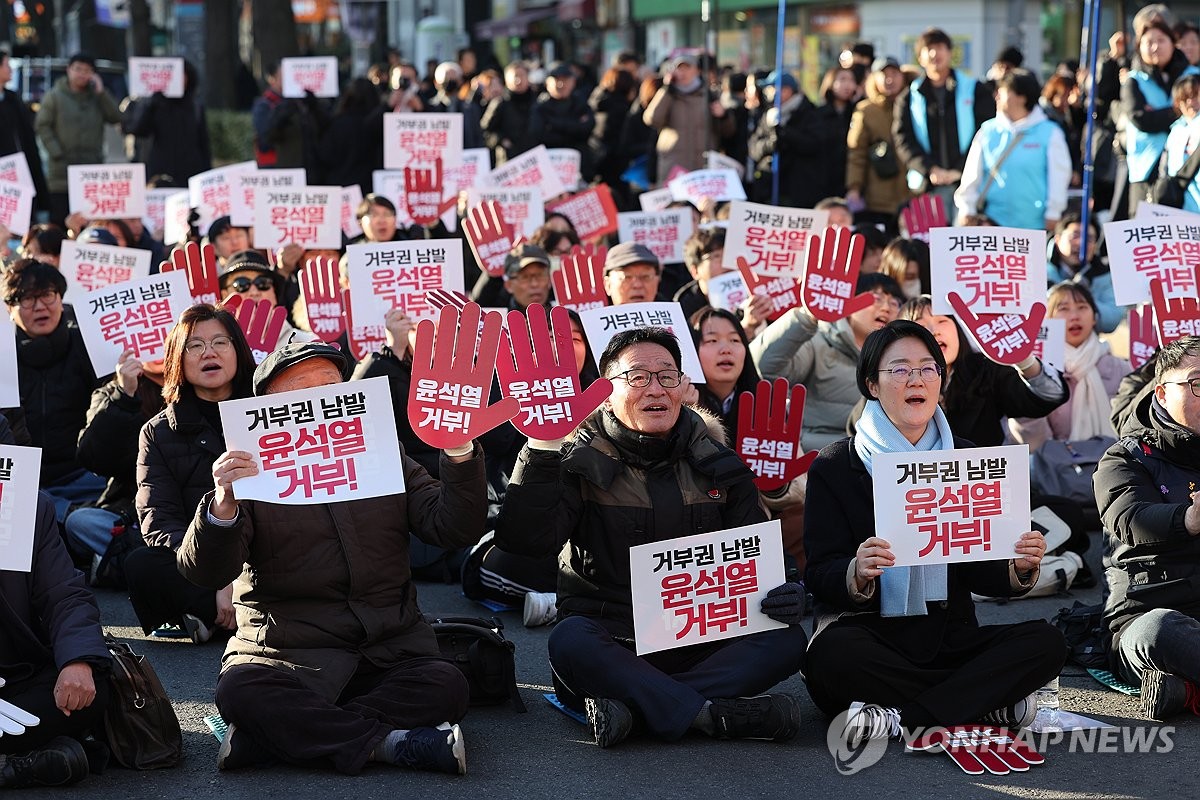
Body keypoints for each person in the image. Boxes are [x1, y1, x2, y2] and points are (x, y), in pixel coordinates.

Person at [177, 340, 488, 774]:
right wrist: (223, 504)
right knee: (242, 691)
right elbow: (206, 570)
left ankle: (276, 740)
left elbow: (451, 527)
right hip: (285, 654)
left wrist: (459, 453)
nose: (320, 401)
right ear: (266, 408)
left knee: (447, 685)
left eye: (330, 386)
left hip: (387, 647)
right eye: (301, 392)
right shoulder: (245, 472)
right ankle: (393, 744)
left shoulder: (383, 454)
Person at [494, 327, 808, 748]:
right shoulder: (575, 460)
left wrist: (787, 590)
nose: (655, 388)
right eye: (638, 377)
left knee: (786, 639)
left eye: (667, 376)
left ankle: (645, 708)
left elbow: (759, 556)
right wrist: (541, 448)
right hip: (615, 641)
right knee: (570, 641)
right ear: (605, 392)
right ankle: (712, 713)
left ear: (683, 388)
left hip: (703, 639)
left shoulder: (720, 462)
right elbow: (524, 542)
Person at [804, 319, 1066, 745]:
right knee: (831, 657)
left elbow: (983, 575)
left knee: (1047, 642)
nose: (917, 379)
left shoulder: (969, 459)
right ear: (872, 384)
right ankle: (983, 702)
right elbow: (819, 572)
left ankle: (903, 718)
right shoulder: (835, 465)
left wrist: (1018, 565)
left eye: (928, 368)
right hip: (874, 637)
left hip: (951, 636)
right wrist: (856, 571)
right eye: (900, 369)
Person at [126, 305, 256, 644]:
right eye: (194, 346)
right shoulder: (157, 432)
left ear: (238, 351)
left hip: (264, 555)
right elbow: (159, 522)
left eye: (219, 342)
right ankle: (224, 609)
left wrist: (239, 575)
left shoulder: (269, 410)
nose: (208, 352)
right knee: (143, 564)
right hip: (200, 559)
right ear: (177, 360)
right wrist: (217, 578)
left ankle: (213, 616)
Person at [1092, 336, 1200, 720]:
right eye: (1197, 384)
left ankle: (1184, 691)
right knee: (1162, 630)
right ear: (1161, 392)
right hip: (1148, 612)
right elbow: (1129, 517)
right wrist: (1189, 518)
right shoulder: (1125, 456)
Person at [0, 488, 110, 788]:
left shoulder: (26, 502)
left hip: (17, 676)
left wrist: (77, 660)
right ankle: (19, 763)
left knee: (90, 688)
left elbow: (64, 594)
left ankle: (20, 756)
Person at [750, 273, 904, 453]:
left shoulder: (899, 358)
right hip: (815, 457)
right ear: (849, 302)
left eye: (894, 303)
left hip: (873, 458)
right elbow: (763, 368)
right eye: (876, 299)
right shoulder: (817, 341)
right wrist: (806, 318)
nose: (886, 308)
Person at [3, 259, 104, 520]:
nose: (40, 307)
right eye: (27, 299)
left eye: (47, 295)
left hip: (85, 478)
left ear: (61, 298)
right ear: (10, 308)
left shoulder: (89, 347)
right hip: (23, 483)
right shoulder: (3, 359)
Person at [899, 296, 1068, 447]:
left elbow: (1049, 396)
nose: (934, 330)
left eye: (942, 321)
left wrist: (1024, 361)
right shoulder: (895, 382)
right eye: (921, 325)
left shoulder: (986, 370)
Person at [1009, 282, 1127, 454]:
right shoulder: (1037, 372)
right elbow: (1032, 442)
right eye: (1063, 309)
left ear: (1094, 317)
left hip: (1114, 466)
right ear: (1047, 319)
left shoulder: (1120, 369)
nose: (1074, 316)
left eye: (1082, 307)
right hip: (1056, 473)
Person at [954, 69, 1071, 232]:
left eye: (1002, 92)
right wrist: (967, 208)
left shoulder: (1050, 133)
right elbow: (972, 175)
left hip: (1033, 227)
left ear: (1021, 97)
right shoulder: (988, 131)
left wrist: (1054, 212)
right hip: (991, 225)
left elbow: (1059, 177)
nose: (996, 97)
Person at [893, 28, 996, 209]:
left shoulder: (975, 89)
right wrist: (930, 169)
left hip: (970, 184)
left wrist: (961, 169)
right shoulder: (909, 96)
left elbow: (986, 130)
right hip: (927, 185)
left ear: (950, 53)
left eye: (940, 47)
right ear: (920, 57)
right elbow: (903, 138)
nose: (934, 53)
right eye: (928, 49)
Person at [34, 53, 122, 226]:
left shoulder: (98, 97)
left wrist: (101, 92)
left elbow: (116, 117)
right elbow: (42, 126)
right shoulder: (55, 96)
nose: (82, 74)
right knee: (60, 220)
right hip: (61, 172)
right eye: (78, 69)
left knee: (90, 221)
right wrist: (56, 152)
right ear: (68, 70)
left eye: (87, 70)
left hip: (91, 171)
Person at [1120, 19, 1197, 216]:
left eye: (1161, 40)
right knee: (1145, 235)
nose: (1155, 47)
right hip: (1145, 171)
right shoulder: (1133, 80)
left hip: (1189, 172)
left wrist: (1158, 113)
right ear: (1139, 47)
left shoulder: (1194, 76)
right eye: (1149, 41)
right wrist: (1179, 111)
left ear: (1173, 43)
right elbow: (1141, 119)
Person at [645, 55, 734, 185]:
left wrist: (724, 116)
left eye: (687, 68)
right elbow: (652, 119)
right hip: (673, 169)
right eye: (679, 69)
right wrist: (666, 90)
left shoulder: (709, 95)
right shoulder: (668, 94)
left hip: (702, 169)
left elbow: (728, 131)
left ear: (697, 71)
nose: (683, 73)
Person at [121, 59, 212, 187]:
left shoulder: (195, 106)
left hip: (190, 174)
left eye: (182, 76)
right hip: (159, 173)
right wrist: (150, 104)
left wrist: (207, 174)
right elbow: (136, 129)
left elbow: (203, 143)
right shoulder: (154, 104)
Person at [846, 57, 910, 236]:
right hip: (877, 197)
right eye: (884, 75)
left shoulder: (916, 104)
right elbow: (856, 153)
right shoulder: (865, 110)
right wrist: (854, 188)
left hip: (912, 195)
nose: (890, 79)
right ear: (874, 79)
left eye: (894, 74)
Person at [748, 71, 826, 208]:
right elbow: (754, 147)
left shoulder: (809, 113)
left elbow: (813, 145)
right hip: (769, 188)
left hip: (798, 190)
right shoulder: (768, 115)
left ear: (787, 90)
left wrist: (785, 133)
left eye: (773, 88)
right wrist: (769, 144)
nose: (769, 92)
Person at [217, 250, 318, 352]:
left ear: (274, 292)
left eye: (262, 283)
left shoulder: (308, 343)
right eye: (241, 284)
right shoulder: (215, 347)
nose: (254, 292)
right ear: (225, 295)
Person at [1045, 212, 1120, 334]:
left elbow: (1112, 319)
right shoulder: (1039, 269)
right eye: (1075, 236)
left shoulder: (1103, 274)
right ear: (1057, 240)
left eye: (1089, 239)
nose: (1081, 243)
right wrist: (1066, 292)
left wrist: (1083, 296)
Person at [0, 49, 50, 208]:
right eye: (6, 65)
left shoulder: (13, 100)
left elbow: (28, 140)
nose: (11, 69)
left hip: (19, 175)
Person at [530, 64, 596, 181]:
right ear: (547, 84)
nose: (561, 85)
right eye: (556, 81)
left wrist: (554, 124)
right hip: (551, 168)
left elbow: (587, 128)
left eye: (565, 80)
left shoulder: (581, 103)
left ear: (573, 82)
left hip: (580, 167)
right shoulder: (540, 107)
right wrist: (573, 127)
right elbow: (538, 134)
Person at [1164, 74, 1200, 214]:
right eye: (1185, 98)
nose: (1191, 102)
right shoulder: (1175, 130)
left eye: (1195, 95)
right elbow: (1165, 167)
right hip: (1180, 207)